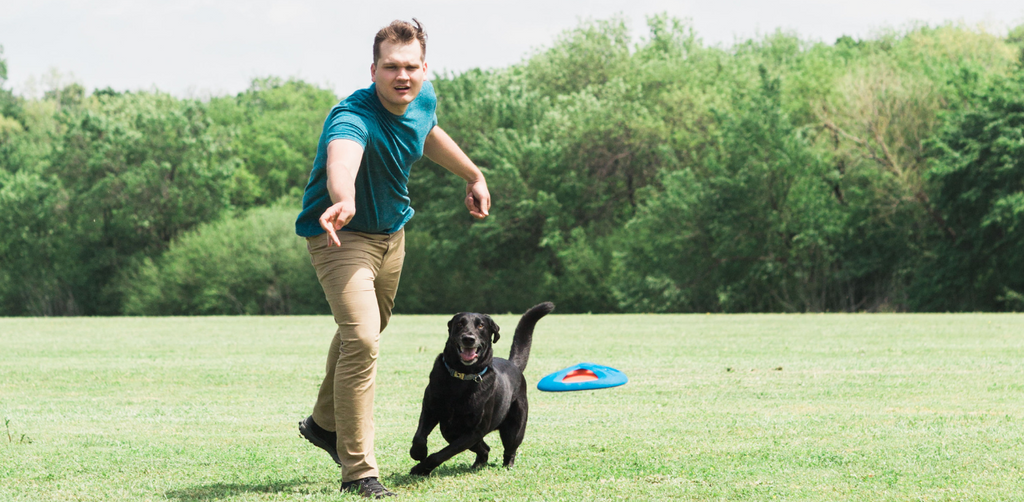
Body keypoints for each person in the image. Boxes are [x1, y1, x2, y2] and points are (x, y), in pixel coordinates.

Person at [294, 18, 490, 499]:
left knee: (362, 333)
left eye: (410, 67)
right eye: (390, 68)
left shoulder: (423, 97)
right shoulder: (352, 115)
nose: (401, 76)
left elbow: (427, 133)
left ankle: (323, 424)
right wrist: (343, 197)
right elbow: (344, 155)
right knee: (362, 339)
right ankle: (359, 470)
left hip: (392, 238)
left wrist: (472, 174)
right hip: (341, 236)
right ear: (373, 69)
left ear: (424, 67)